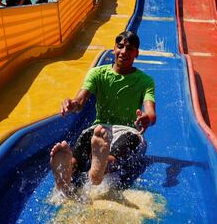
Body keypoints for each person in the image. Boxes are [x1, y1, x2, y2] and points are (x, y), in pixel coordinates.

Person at [49, 30, 155, 195]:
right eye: (120, 47)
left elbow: (151, 112)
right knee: (87, 138)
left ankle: (99, 168)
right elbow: (80, 102)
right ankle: (69, 171)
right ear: (114, 49)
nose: (124, 52)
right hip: (99, 130)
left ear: (137, 53)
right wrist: (71, 104)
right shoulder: (97, 74)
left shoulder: (145, 81)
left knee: (127, 143)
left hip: (128, 130)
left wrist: (147, 117)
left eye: (130, 49)